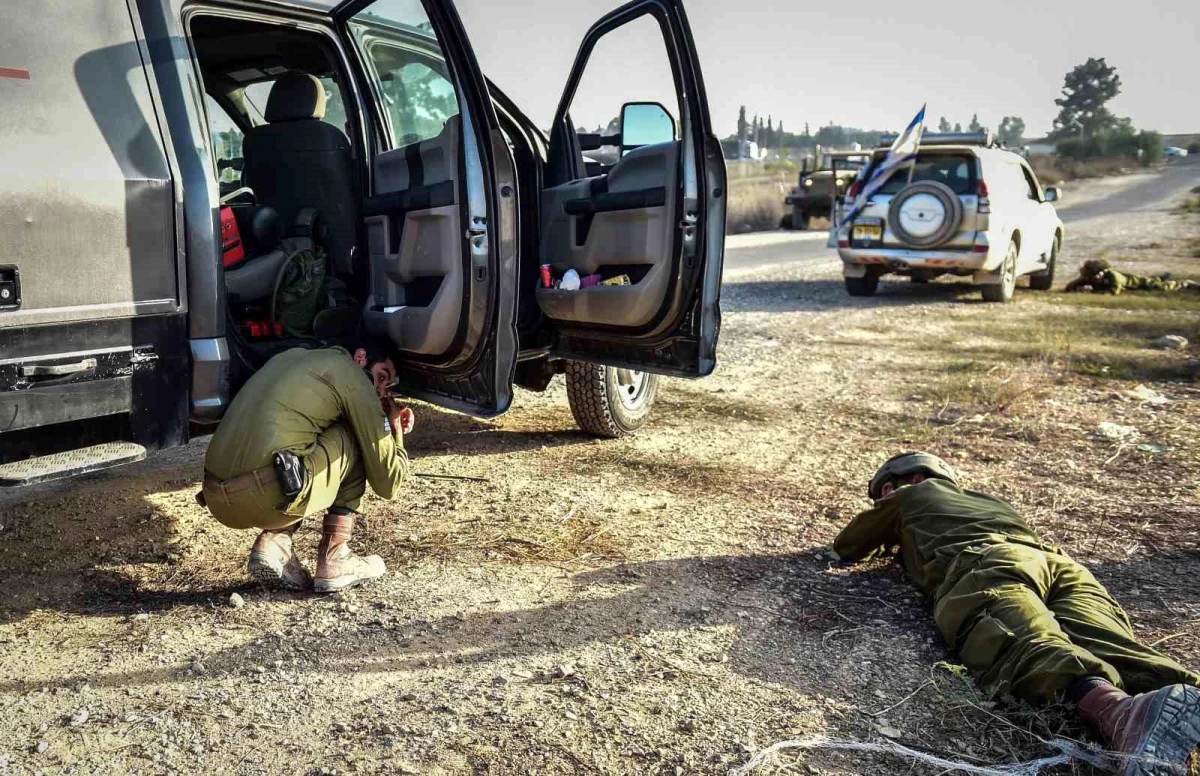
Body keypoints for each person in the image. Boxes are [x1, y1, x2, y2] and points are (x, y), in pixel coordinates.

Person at [833, 452, 1200, 776]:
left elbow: (850, 545)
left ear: (910, 479)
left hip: (990, 562)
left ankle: (1119, 713)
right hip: (1062, 566)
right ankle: (1172, 701)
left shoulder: (912, 494)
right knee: (1114, 645)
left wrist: (892, 527)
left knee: (1022, 638)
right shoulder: (992, 503)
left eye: (884, 490)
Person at [199, 341, 414, 593]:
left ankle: (275, 541)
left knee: (299, 438)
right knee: (356, 435)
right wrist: (394, 428)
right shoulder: (353, 377)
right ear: (361, 356)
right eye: (381, 377)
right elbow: (389, 483)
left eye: (386, 386)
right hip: (263, 495)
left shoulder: (291, 358)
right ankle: (336, 558)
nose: (379, 390)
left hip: (217, 500)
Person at [1065, 259, 1197, 295]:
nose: (1094, 279)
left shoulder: (1113, 277)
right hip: (1136, 280)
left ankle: (1186, 283)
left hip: (1139, 283)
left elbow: (1113, 291)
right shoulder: (1090, 277)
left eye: (1096, 275)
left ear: (1102, 272)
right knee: (1154, 281)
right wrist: (1076, 288)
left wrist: (1093, 292)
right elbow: (1070, 286)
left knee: (1162, 287)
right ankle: (1160, 277)